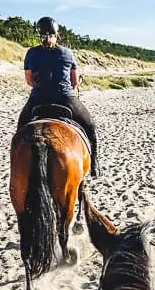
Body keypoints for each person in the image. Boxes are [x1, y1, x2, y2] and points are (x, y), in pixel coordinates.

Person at [17, 16, 100, 177]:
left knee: (20, 128)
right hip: (66, 99)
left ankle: (17, 162)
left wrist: (42, 88)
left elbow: (29, 81)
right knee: (90, 127)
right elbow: (74, 82)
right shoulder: (67, 53)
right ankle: (95, 163)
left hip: (37, 99)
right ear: (56, 35)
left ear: (39, 35)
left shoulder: (31, 53)